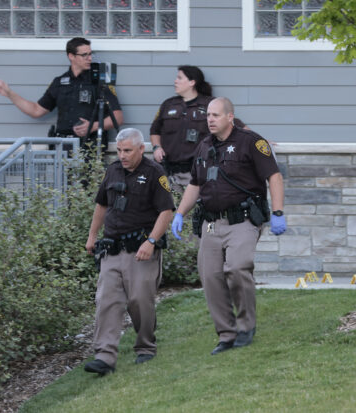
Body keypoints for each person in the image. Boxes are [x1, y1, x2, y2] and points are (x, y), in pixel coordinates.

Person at [171, 97, 286, 356]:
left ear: (230, 117)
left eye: (216, 115)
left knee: (237, 267)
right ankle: (226, 334)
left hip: (242, 221)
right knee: (210, 276)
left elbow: (274, 176)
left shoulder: (252, 142)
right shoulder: (203, 147)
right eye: (208, 115)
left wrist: (278, 212)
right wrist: (179, 213)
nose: (210, 119)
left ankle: (246, 327)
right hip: (211, 223)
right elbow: (195, 184)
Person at [84, 128, 175, 375]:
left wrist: (152, 242)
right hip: (112, 248)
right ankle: (105, 356)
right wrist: (93, 235)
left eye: (127, 151)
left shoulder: (155, 173)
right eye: (119, 150)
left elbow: (166, 211)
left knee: (139, 300)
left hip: (141, 250)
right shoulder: (112, 170)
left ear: (140, 149)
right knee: (106, 300)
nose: (122, 155)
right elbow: (102, 204)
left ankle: (145, 346)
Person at [0, 37, 123, 151]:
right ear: (71, 56)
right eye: (84, 55)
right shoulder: (59, 82)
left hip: (90, 148)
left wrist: (93, 126)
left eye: (90, 54)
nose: (90, 58)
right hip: (62, 148)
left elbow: (117, 118)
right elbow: (36, 110)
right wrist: (9, 93)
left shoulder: (99, 82)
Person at [149, 65, 245, 192]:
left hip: (197, 172)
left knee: (194, 209)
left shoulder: (209, 104)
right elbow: (155, 130)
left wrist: (257, 141)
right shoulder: (168, 104)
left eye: (179, 78)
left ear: (192, 82)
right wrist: (156, 147)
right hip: (169, 171)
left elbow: (234, 124)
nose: (175, 81)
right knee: (171, 207)